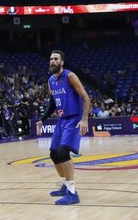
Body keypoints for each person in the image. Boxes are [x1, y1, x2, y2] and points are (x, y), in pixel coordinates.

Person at [36, 50, 90, 205]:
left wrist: (85, 119)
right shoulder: (51, 80)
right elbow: (52, 103)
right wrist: (42, 119)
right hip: (61, 120)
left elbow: (86, 97)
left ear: (62, 62)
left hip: (74, 118)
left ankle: (73, 193)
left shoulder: (70, 76)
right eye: (51, 59)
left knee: (63, 151)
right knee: (54, 153)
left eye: (55, 59)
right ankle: (66, 186)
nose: (52, 61)